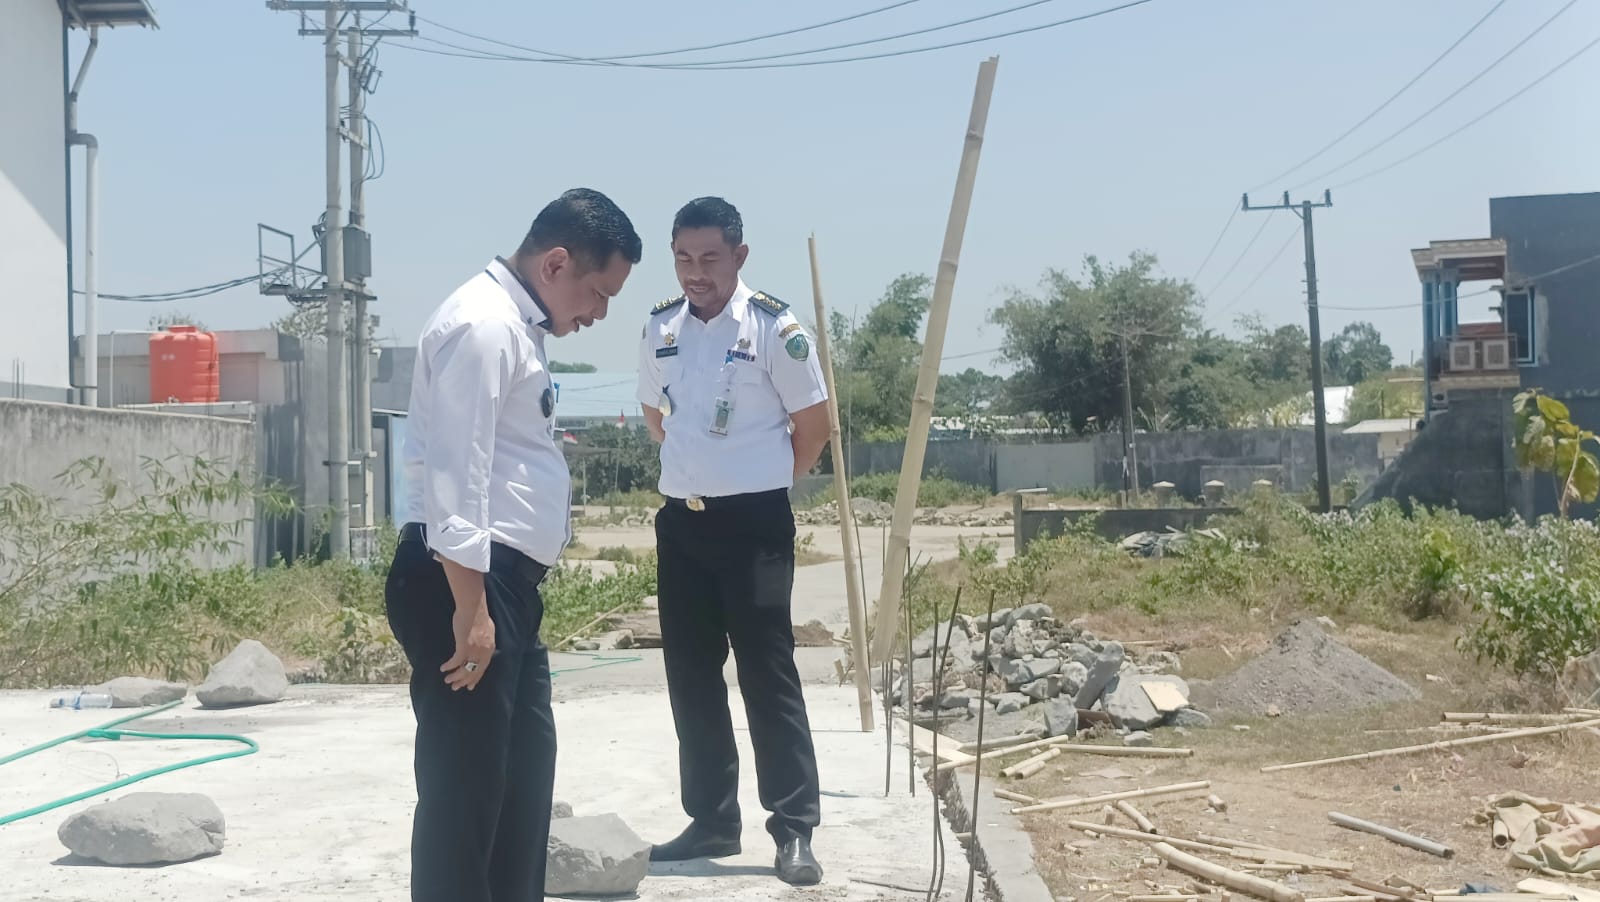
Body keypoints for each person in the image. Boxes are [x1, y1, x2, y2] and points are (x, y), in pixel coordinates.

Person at [386, 187, 641, 902]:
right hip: (462, 581)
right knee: (466, 798)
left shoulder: (516, 328)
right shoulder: (484, 326)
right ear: (556, 263)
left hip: (501, 587)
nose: (599, 313)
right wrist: (471, 610)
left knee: (521, 791)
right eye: (598, 293)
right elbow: (456, 477)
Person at [635, 196, 832, 887]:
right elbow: (655, 415)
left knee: (766, 674)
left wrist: (761, 480)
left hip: (753, 528)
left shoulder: (775, 328)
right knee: (691, 676)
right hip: (682, 525)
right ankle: (712, 819)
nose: (696, 272)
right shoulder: (660, 326)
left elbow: (814, 426)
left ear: (739, 256)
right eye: (684, 258)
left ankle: (794, 827)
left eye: (710, 258)